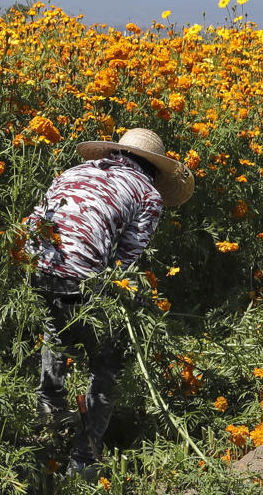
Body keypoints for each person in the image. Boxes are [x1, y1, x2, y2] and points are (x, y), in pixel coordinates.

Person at [24, 128, 193, 476]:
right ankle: (84, 460)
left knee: (57, 329)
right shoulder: (148, 194)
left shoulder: (73, 171)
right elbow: (125, 262)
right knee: (109, 360)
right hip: (80, 270)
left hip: (31, 260)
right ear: (154, 171)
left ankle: (48, 419)